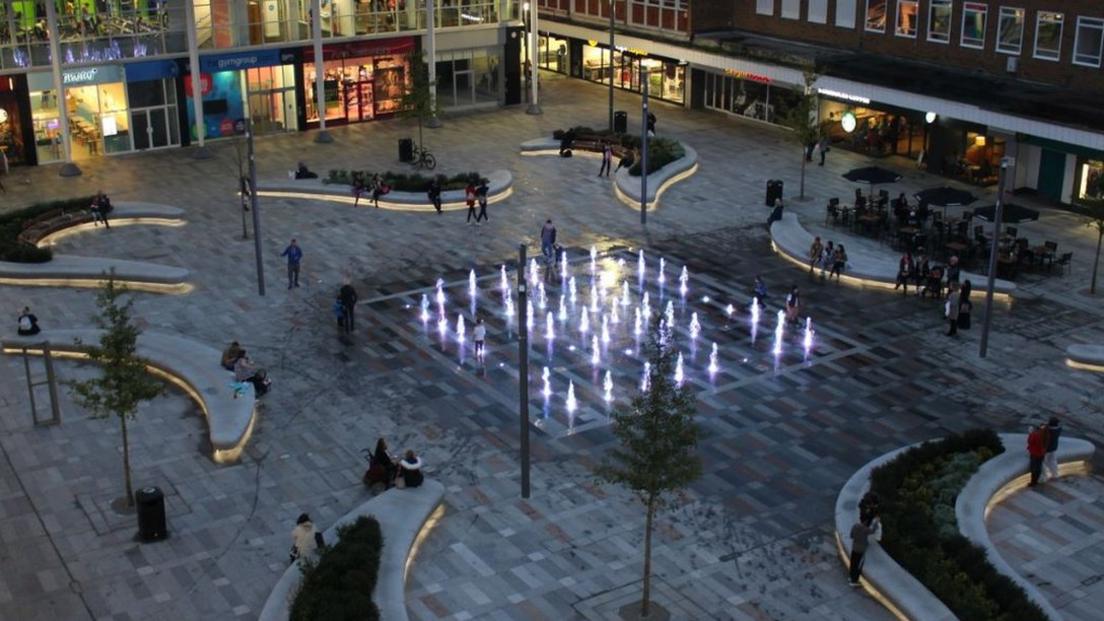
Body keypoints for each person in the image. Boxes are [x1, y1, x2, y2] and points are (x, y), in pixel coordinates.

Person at [848, 515, 882, 586]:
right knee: (858, 565)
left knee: (853, 563)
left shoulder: (855, 526)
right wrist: (876, 522)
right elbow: (873, 531)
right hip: (861, 550)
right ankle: (854, 581)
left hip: (854, 547)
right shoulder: (865, 529)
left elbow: (851, 536)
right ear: (866, 522)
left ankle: (851, 577)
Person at [1043, 417, 1062, 482]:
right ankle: (1055, 475)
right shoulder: (1059, 429)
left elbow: (1043, 431)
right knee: (1053, 461)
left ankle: (1045, 477)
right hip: (1054, 448)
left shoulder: (1048, 430)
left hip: (1046, 449)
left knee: (1044, 463)